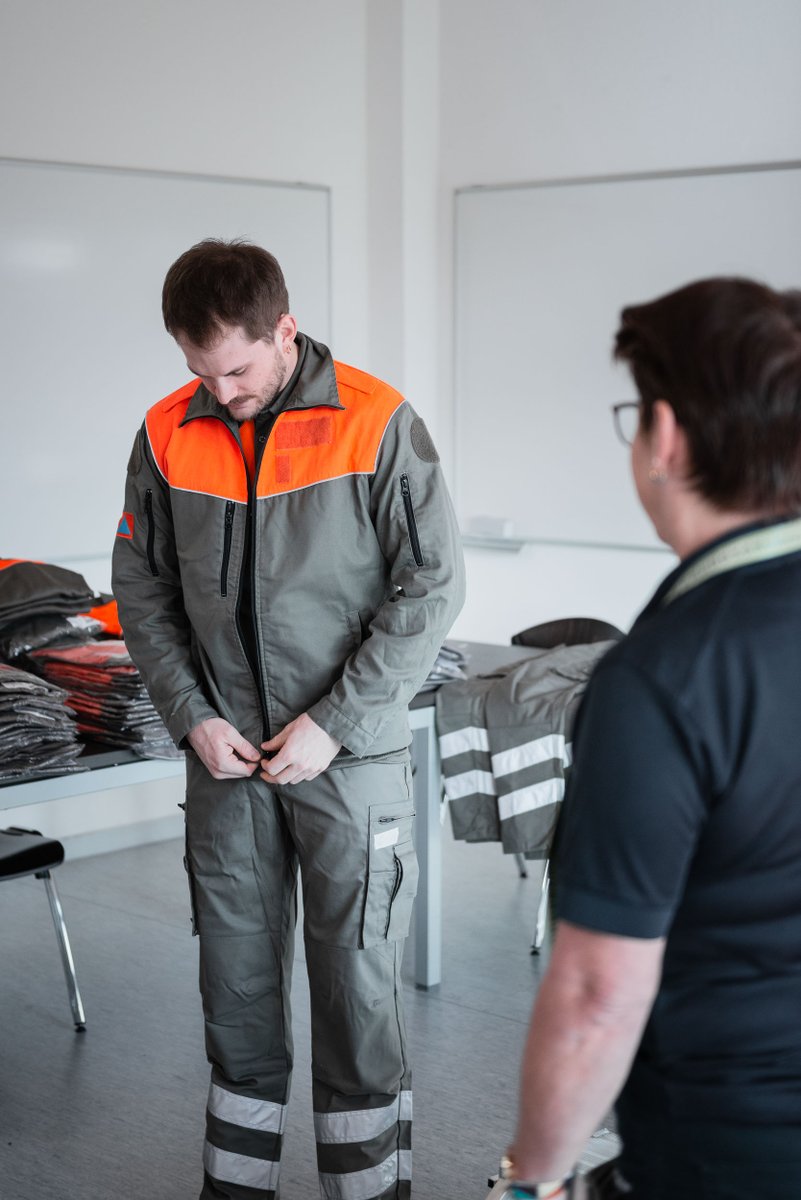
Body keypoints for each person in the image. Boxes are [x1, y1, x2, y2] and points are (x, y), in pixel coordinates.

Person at [111, 239, 465, 1200]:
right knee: (235, 998)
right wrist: (189, 717)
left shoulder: (377, 419)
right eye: (199, 372)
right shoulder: (164, 431)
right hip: (224, 764)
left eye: (236, 369)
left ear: (285, 330)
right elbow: (140, 591)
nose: (219, 392)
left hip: (346, 764)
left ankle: (367, 1192)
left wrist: (336, 724)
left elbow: (432, 586)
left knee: (356, 995)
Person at [499, 277, 801, 1199]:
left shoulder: (662, 677)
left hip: (728, 1146)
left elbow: (597, 994)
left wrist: (530, 1185)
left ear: (664, 437)